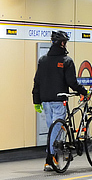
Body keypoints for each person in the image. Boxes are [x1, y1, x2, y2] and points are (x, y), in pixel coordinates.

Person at [33, 30, 87, 172]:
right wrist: (84, 91)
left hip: (45, 101)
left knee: (52, 129)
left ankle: (52, 158)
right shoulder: (66, 61)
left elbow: (37, 81)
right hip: (59, 100)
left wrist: (36, 100)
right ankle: (50, 158)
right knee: (56, 130)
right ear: (62, 43)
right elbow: (72, 82)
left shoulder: (43, 60)